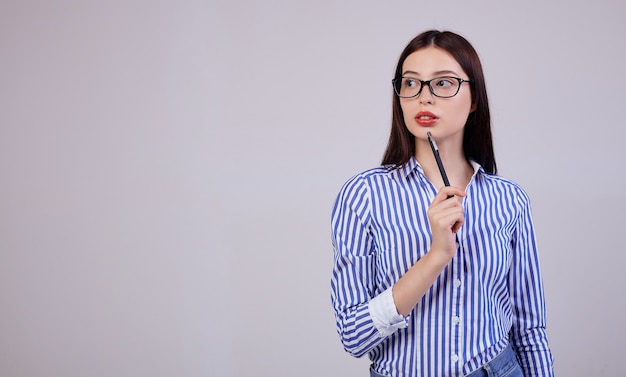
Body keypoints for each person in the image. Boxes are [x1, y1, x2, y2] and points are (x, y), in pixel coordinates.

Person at [330, 30, 554, 377]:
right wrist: (436, 257)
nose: (425, 98)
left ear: (474, 97)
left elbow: (529, 329)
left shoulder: (510, 199)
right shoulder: (364, 196)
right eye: (411, 84)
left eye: (444, 83)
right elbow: (353, 337)